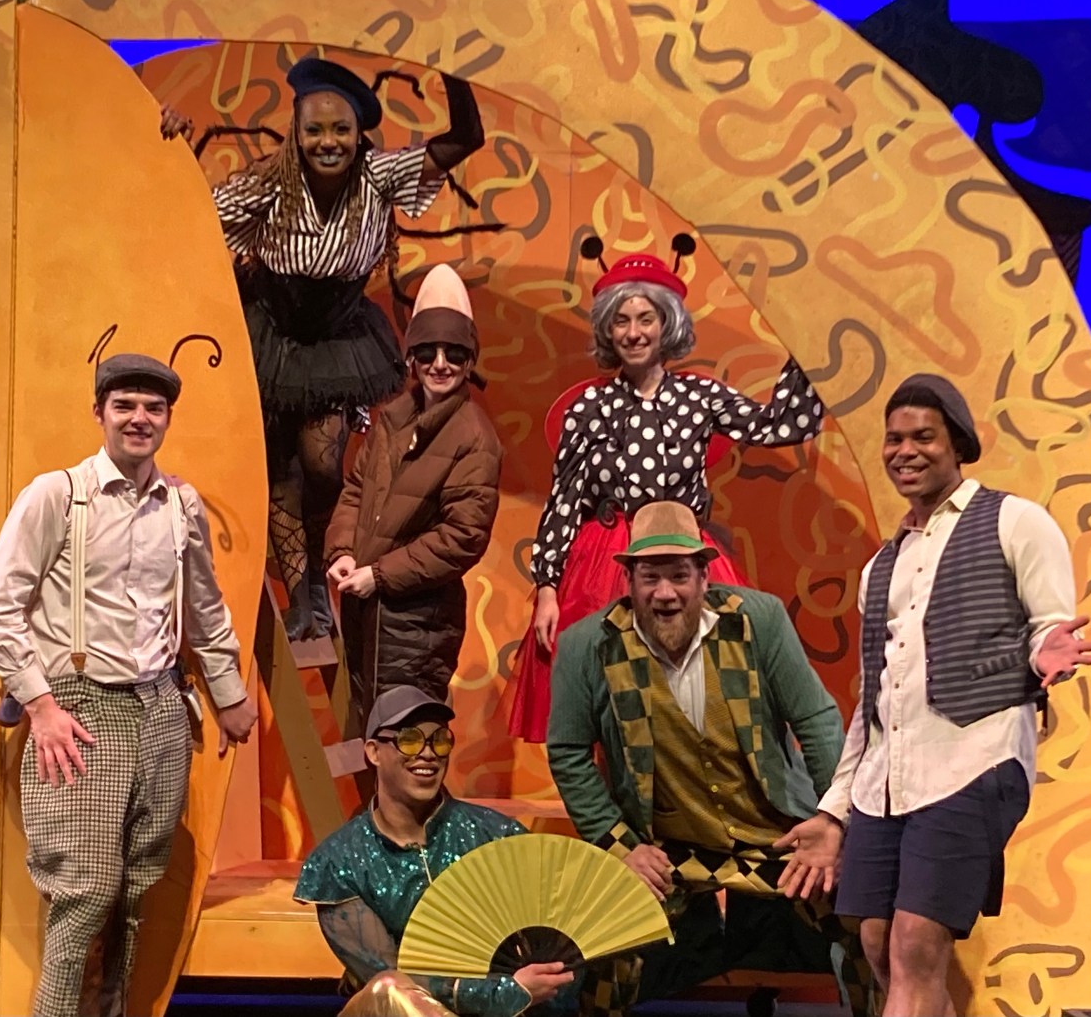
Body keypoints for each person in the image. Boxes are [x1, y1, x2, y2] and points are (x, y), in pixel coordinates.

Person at [779, 374, 1091, 1017]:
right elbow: (874, 706)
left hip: (972, 762)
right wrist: (835, 810)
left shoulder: (1015, 521)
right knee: (876, 941)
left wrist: (1045, 656)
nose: (906, 451)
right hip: (886, 782)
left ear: (957, 443)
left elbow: (1047, 629)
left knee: (916, 943)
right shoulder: (882, 566)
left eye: (924, 436)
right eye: (894, 440)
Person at [0, 353, 259, 1017]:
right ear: (99, 412)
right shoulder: (57, 495)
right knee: (86, 895)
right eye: (125, 405)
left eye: (152, 408)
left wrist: (230, 694)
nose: (139, 419)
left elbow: (205, 608)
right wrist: (40, 704)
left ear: (167, 419)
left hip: (159, 708)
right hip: (81, 709)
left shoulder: (180, 504)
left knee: (134, 897)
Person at [161, 57, 485, 640]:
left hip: (336, 339)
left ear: (359, 133)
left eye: (340, 130)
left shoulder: (380, 178)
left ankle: (317, 572)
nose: (327, 142)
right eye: (314, 129)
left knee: (322, 462)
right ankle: (303, 591)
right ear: (296, 129)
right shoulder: (268, 183)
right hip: (274, 334)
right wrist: (169, 145)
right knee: (281, 468)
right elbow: (188, 218)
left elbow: (465, 138)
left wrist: (449, 61)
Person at [546, 501, 875, 1017]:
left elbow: (816, 720)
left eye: (679, 575)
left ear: (703, 575)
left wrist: (832, 821)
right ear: (629, 579)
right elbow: (567, 752)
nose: (665, 593)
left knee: (868, 922)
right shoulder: (587, 646)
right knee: (603, 941)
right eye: (650, 576)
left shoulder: (756, 621)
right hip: (669, 851)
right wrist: (620, 845)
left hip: (778, 841)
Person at [507, 242, 826, 742]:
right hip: (606, 564)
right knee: (612, 703)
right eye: (621, 321)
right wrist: (547, 587)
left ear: (667, 323)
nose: (634, 332)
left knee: (697, 694)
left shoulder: (701, 396)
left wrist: (805, 341)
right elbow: (564, 501)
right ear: (608, 330)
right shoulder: (589, 406)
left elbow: (778, 425)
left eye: (646, 318)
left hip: (683, 553)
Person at [294, 686, 576, 1016]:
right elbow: (394, 980)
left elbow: (556, 938)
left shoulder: (497, 835)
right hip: (404, 1011)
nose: (428, 753)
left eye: (440, 740)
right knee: (389, 988)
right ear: (373, 751)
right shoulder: (338, 862)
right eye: (410, 739)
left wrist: (532, 986)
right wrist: (502, 993)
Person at [325, 263, 502, 738]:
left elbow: (462, 536)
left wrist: (380, 575)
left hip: (418, 624)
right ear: (411, 358)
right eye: (428, 352)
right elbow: (357, 489)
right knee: (371, 742)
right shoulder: (391, 422)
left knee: (410, 749)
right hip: (368, 616)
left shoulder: (473, 437)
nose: (440, 364)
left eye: (454, 353)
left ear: (470, 360)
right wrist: (341, 550)